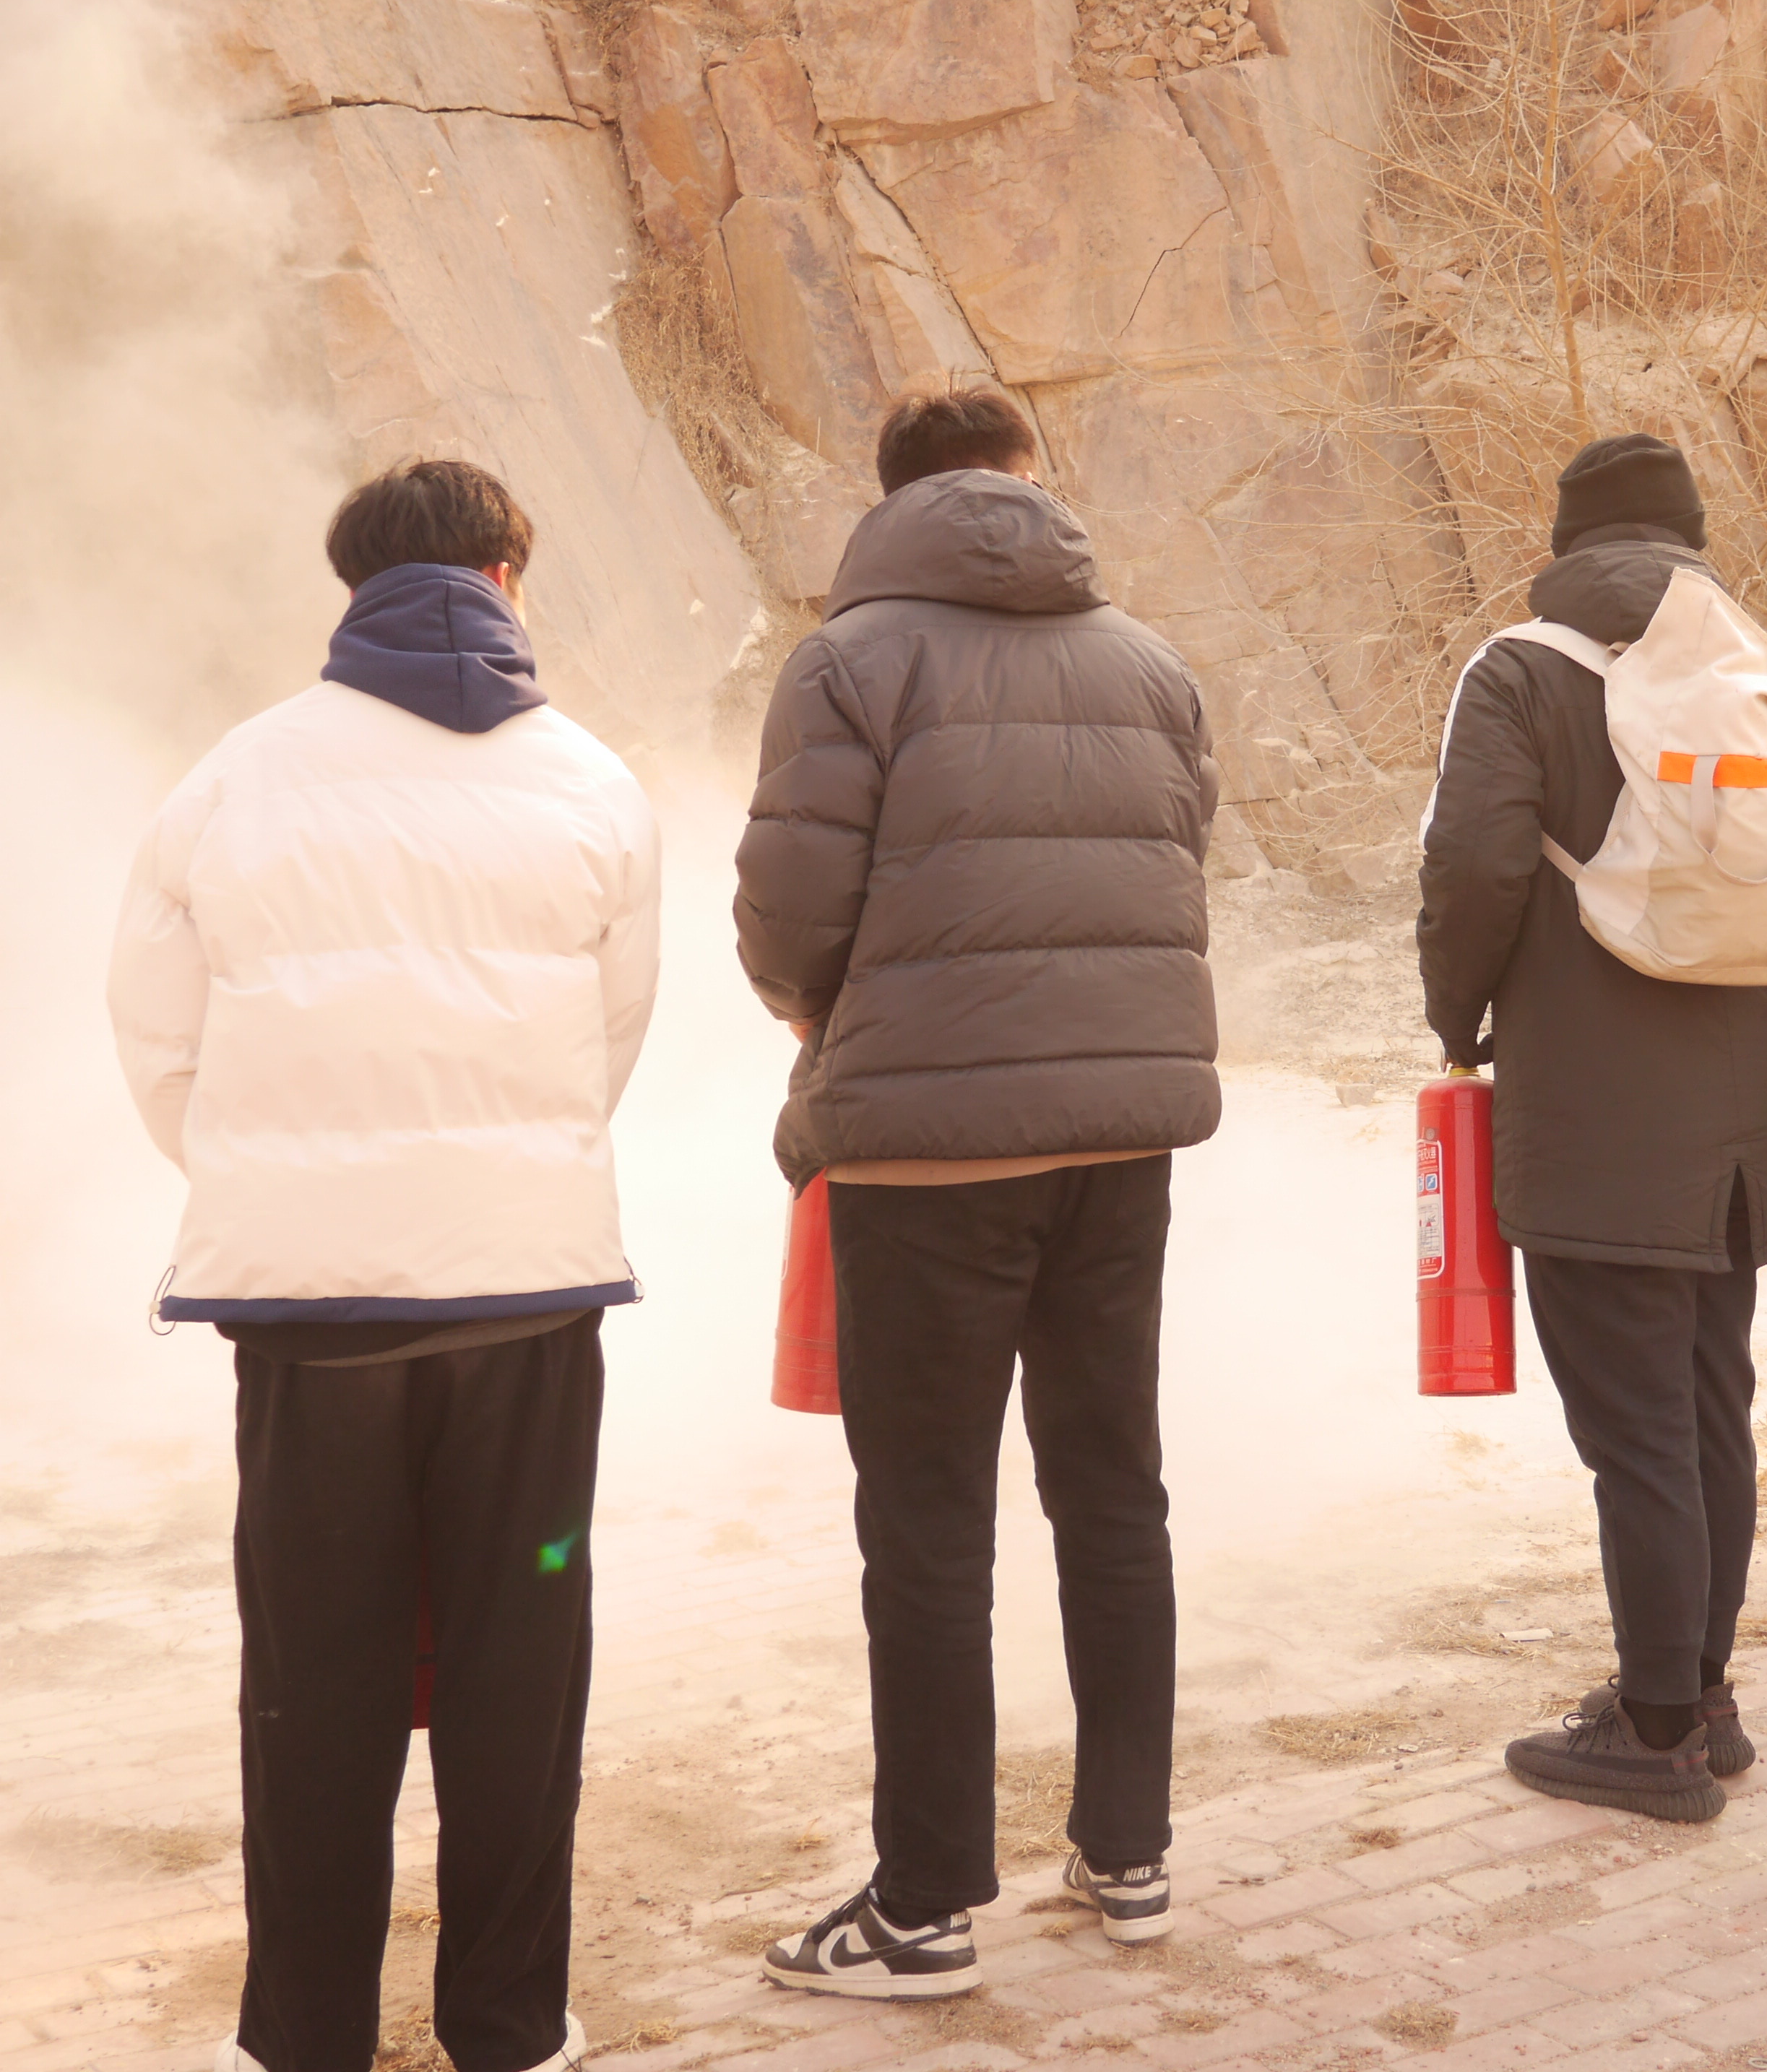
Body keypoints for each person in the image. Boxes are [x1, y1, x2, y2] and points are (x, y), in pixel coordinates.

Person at [111, 459, 659, 2072]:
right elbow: (609, 1039)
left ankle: (303, 2038)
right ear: (508, 577)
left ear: (352, 587)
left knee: (313, 1681)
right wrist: (501, 1175)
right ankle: (509, 2026)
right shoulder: (592, 779)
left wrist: (286, 1183)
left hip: (311, 1321)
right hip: (527, 1305)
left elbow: (158, 1040)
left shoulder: (232, 778)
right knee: (520, 1667)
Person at [734, 389, 1219, 1994]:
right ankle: (1130, 1851)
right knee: (1115, 1492)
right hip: (1119, 1144)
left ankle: (926, 1902)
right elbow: (1176, 855)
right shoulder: (1146, 659)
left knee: (932, 1526)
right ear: (1028, 484)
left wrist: (823, 1019)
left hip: (928, 1158)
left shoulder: (848, 663)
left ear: (893, 499)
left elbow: (790, 910)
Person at [1416, 434, 1767, 1824]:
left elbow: (1472, 865)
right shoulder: (1746, 667)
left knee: (1637, 1434)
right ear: (1691, 538)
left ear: (1566, 540)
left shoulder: (1521, 671)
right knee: (1709, 1409)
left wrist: (1457, 1018)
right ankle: (1703, 1694)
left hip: (1596, 1114)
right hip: (1741, 1121)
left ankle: (1653, 1735)